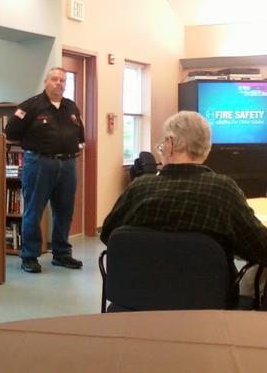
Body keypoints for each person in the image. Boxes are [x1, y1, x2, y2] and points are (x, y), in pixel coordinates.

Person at [101, 111, 267, 276]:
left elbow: (108, 234)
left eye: (162, 143)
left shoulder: (139, 188)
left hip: (136, 296)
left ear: (171, 144)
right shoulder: (223, 191)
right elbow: (260, 247)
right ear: (207, 148)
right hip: (207, 298)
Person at [5, 67, 85, 273]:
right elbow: (11, 131)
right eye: (55, 79)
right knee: (34, 210)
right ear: (46, 82)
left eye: (63, 80)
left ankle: (61, 253)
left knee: (65, 211)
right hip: (39, 163)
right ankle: (29, 256)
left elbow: (80, 135)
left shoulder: (71, 107)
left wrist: (78, 146)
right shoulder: (31, 106)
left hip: (68, 164)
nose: (59, 83)